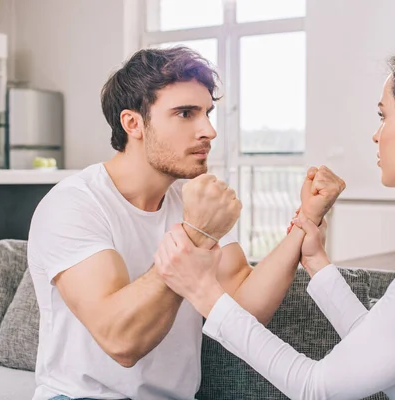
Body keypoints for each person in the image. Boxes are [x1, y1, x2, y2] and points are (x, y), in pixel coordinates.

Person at [153, 41, 395, 400]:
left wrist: (203, 292)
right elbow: (373, 344)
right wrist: (317, 261)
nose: (376, 135)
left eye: (383, 116)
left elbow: (315, 385)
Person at [27, 46, 342, 400]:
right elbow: (120, 340)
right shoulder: (74, 203)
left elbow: (245, 308)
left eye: (207, 113)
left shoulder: (192, 201)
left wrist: (307, 220)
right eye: (185, 113)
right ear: (133, 123)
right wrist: (196, 235)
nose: (209, 130)